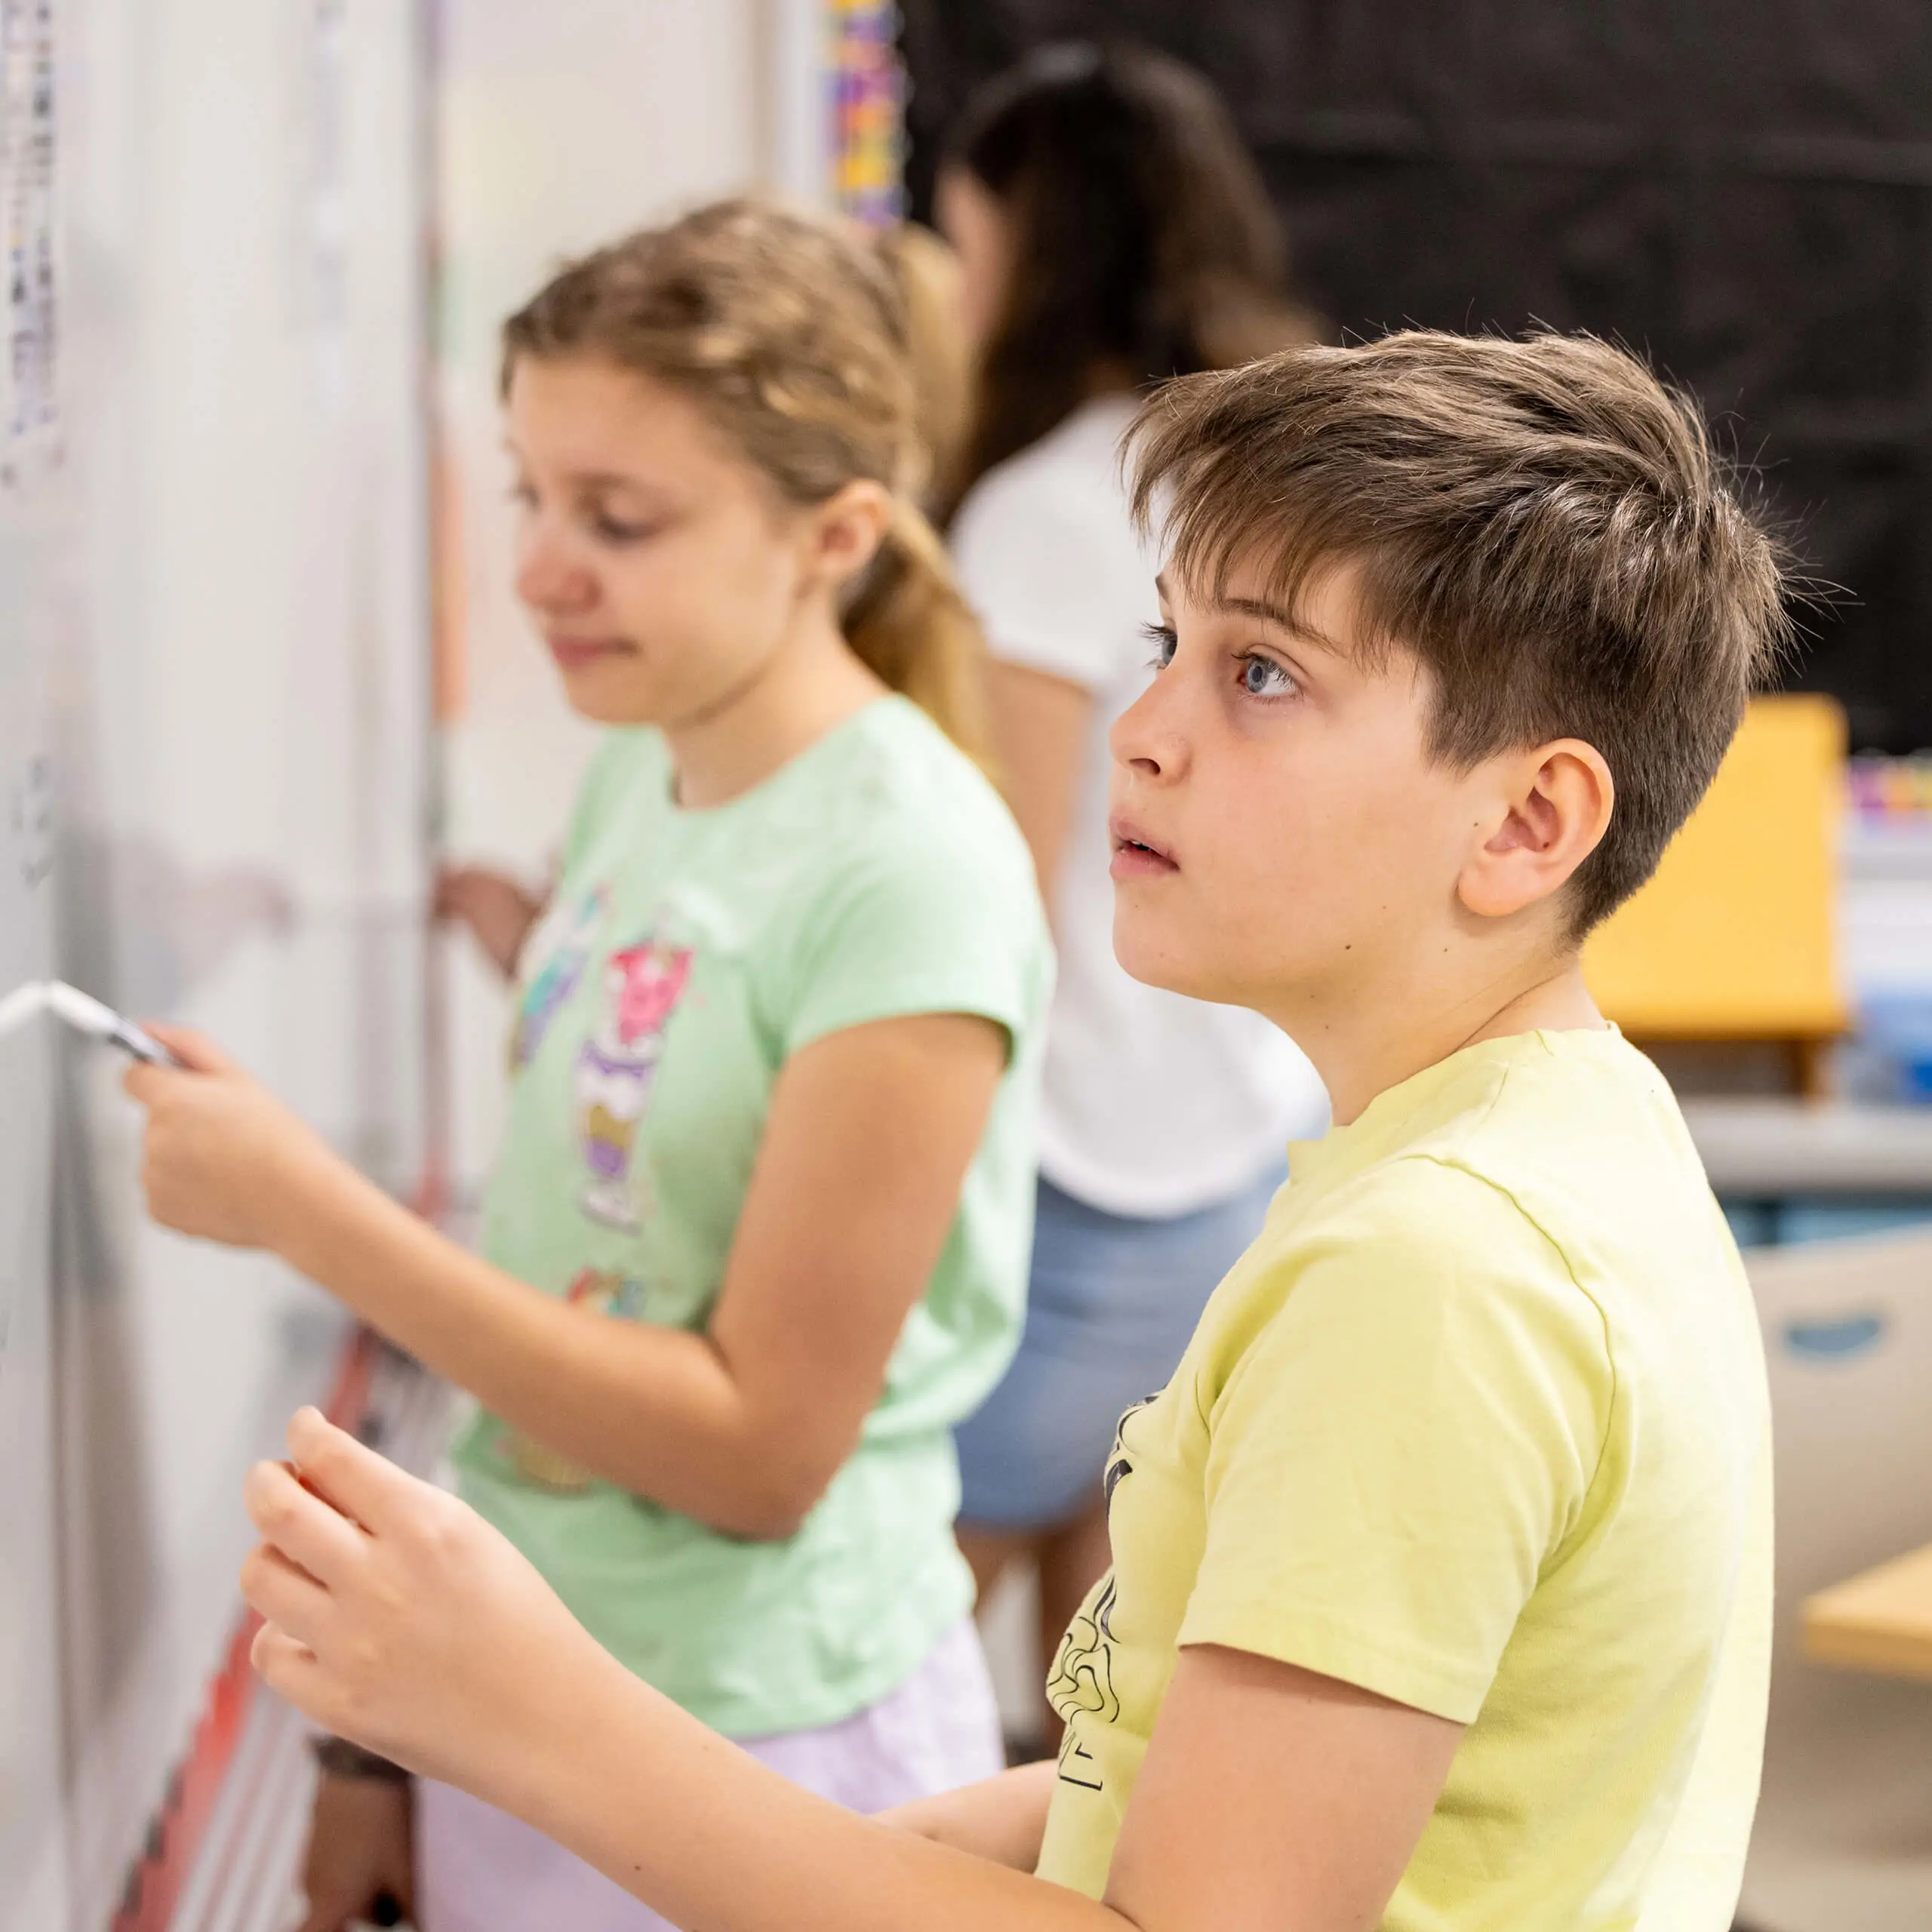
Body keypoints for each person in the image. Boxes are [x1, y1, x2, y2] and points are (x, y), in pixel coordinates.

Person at [222, 326, 1784, 1930]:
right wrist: (859, 1850)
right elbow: (1249, 1770)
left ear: (1526, 821)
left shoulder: (1435, 1275)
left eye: (1257, 674)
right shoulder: (1568, 1139)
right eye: (1160, 641)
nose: (1139, 725)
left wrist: (535, 1717)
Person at [128, 199, 1051, 1932]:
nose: (542, 567)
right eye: (530, 493)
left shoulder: (910, 868)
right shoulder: (649, 760)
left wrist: (307, 1212)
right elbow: (624, 1177)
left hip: (764, 1738)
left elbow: (757, 1449)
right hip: (527, 1695)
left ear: (833, 533)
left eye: (617, 518)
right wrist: (378, 1753)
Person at [934, 42, 1331, 1698]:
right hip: (1244, 1133)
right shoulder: (1272, 478)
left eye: (964, 253)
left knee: (914, 1644)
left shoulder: (1041, 505)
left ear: (1037, 255)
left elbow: (999, 891)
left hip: (1072, 1167)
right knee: (1117, 1672)